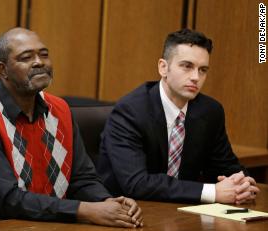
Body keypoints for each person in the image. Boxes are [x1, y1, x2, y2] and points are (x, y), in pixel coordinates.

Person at [0, 28, 143, 228]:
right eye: (26, 57)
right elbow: (8, 201)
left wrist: (107, 204)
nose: (39, 62)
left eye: (44, 55)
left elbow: (82, 178)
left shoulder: (60, 109)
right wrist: (85, 211)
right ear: (3, 70)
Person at [97, 29, 260, 204]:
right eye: (187, 66)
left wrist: (241, 183)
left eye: (203, 70)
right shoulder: (130, 111)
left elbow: (226, 167)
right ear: (163, 67)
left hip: (181, 212)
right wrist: (212, 192)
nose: (196, 77)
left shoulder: (210, 111)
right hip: (126, 212)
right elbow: (137, 183)